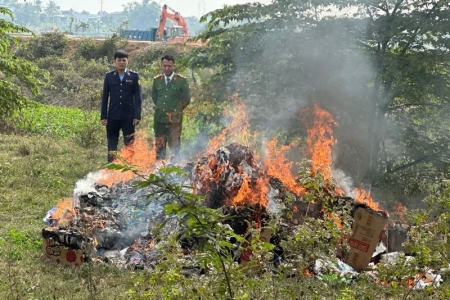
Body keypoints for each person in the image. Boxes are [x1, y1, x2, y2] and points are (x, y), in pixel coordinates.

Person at [101, 49, 142, 162]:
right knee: (112, 144)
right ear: (115, 61)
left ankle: (129, 168)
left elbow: (138, 98)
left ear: (127, 61)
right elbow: (105, 97)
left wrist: (137, 116)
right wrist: (104, 116)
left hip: (128, 117)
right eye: (119, 60)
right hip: (113, 116)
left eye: (124, 60)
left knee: (129, 144)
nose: (121, 63)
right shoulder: (109, 76)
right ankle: (111, 168)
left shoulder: (134, 76)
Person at [152, 54, 191, 160]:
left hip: (174, 119)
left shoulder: (181, 81)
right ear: (161, 66)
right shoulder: (157, 80)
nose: (167, 68)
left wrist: (176, 109)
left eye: (169, 66)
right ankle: (159, 169)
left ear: (174, 66)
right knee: (159, 145)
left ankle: (174, 169)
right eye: (164, 66)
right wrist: (163, 109)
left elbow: (186, 99)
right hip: (159, 118)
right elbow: (155, 98)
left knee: (174, 144)